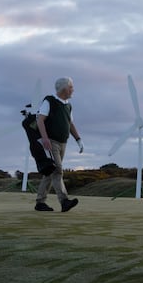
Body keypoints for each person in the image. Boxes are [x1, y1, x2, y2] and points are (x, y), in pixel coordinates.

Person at [34, 77, 84, 212]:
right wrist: (44, 139)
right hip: (51, 142)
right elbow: (40, 120)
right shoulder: (49, 101)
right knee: (57, 171)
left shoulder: (68, 105)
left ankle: (40, 202)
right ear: (64, 89)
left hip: (63, 143)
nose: (73, 90)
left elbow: (70, 124)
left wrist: (78, 139)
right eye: (71, 87)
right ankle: (64, 201)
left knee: (50, 173)